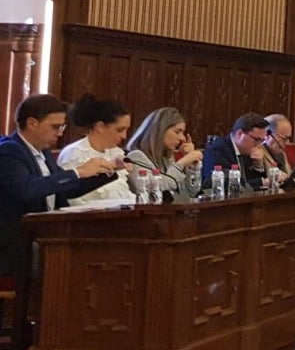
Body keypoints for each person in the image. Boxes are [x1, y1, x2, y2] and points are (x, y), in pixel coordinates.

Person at [0, 94, 118, 275]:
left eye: (62, 126)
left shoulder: (43, 152)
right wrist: (78, 172)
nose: (61, 132)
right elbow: (28, 189)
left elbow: (66, 189)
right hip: (15, 246)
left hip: (43, 240)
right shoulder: (9, 150)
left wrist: (108, 172)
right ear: (32, 123)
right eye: (55, 126)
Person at [55, 94, 133, 205]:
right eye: (119, 130)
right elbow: (70, 198)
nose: (124, 136)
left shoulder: (116, 153)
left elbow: (124, 193)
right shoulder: (74, 153)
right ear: (100, 126)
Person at [124, 107, 203, 203]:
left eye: (183, 133)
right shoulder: (135, 157)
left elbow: (191, 192)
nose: (182, 138)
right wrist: (183, 162)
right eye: (177, 132)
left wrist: (192, 167)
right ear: (160, 130)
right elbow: (158, 188)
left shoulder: (166, 158)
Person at [202, 113, 275, 190]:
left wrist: (257, 165)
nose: (259, 145)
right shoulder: (218, 150)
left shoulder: (246, 150)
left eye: (262, 141)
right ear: (239, 134)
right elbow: (224, 185)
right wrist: (262, 182)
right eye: (257, 140)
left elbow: (249, 183)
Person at [261, 113, 295, 179]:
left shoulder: (282, 154)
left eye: (288, 138)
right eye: (284, 138)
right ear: (267, 135)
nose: (287, 143)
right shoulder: (257, 154)